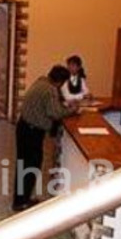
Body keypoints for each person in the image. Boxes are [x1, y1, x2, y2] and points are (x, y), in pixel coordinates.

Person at [13, 66, 78, 211]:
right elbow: (54, 113)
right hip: (32, 131)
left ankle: (21, 199)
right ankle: (21, 202)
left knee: (24, 164)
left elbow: (49, 106)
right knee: (31, 165)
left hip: (24, 127)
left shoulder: (41, 82)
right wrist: (72, 110)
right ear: (60, 81)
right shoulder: (50, 90)